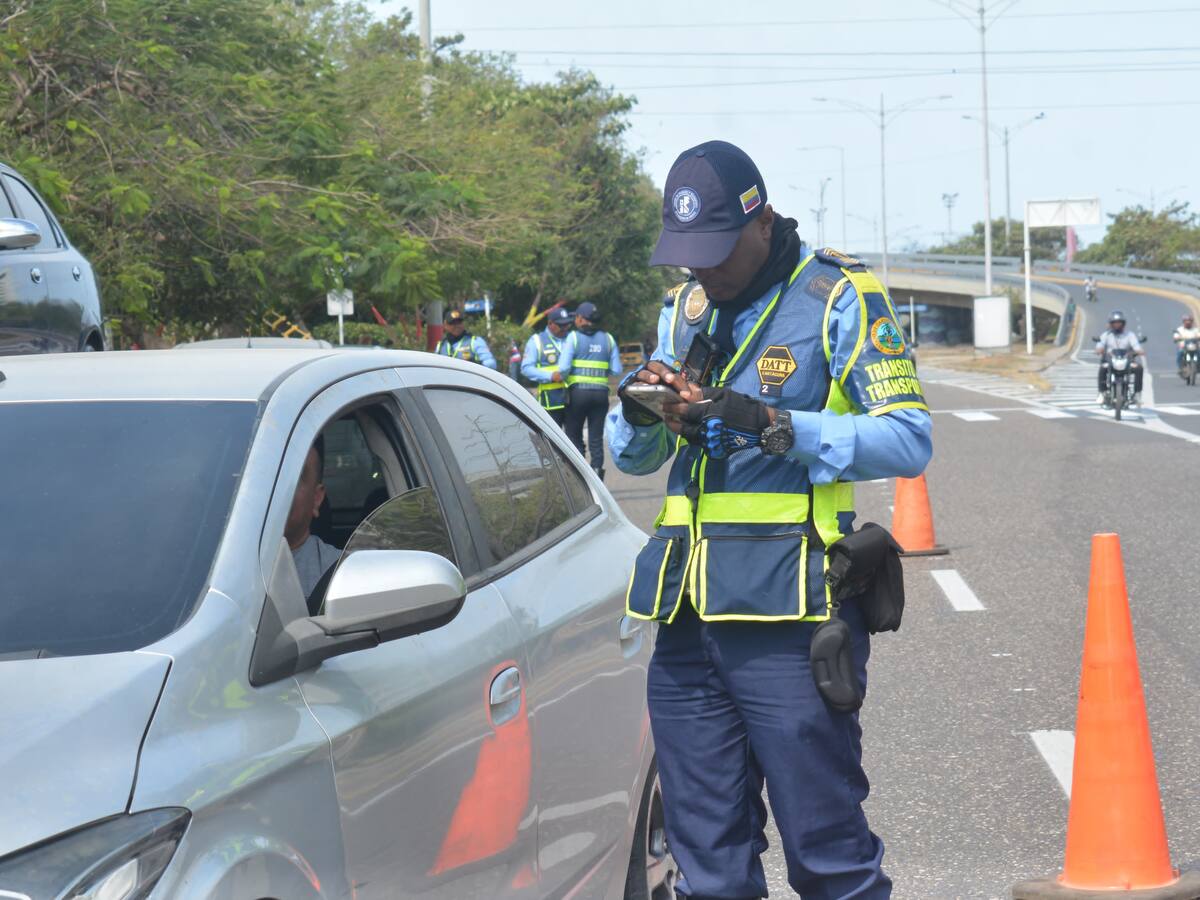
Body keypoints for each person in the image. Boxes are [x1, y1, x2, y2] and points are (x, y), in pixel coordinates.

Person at [606, 140, 932, 899]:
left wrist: (777, 426)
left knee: (829, 861)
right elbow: (631, 458)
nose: (703, 271)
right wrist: (644, 406)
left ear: (761, 222)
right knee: (707, 869)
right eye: (688, 255)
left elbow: (910, 438)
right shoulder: (687, 311)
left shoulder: (837, 298)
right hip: (689, 624)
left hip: (793, 618)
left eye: (716, 251)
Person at [557, 301, 621, 480]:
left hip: (578, 395)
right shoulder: (608, 339)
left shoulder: (574, 338)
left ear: (580, 319)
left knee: (574, 434)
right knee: (596, 438)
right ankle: (597, 475)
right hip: (600, 395)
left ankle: (579, 474)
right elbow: (616, 369)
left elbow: (563, 368)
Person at [287, 436, 339, 609]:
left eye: (291, 477)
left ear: (316, 499)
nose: (273, 490)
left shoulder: (340, 575)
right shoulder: (207, 565)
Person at [521, 306, 573, 426]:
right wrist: (550, 376)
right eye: (561, 325)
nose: (565, 328)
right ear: (550, 323)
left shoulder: (571, 338)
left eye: (567, 325)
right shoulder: (537, 341)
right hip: (550, 402)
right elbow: (526, 368)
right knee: (552, 442)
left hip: (572, 400)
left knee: (573, 441)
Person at [1095, 310, 1144, 405]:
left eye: (1119, 323)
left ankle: (1137, 394)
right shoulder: (1106, 335)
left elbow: (1136, 346)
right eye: (1114, 323)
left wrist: (1139, 351)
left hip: (1127, 362)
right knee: (1102, 368)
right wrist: (1099, 350)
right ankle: (1102, 393)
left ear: (1123, 324)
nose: (1117, 325)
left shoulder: (1130, 335)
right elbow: (1099, 346)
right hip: (1110, 362)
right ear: (1111, 324)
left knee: (1139, 368)